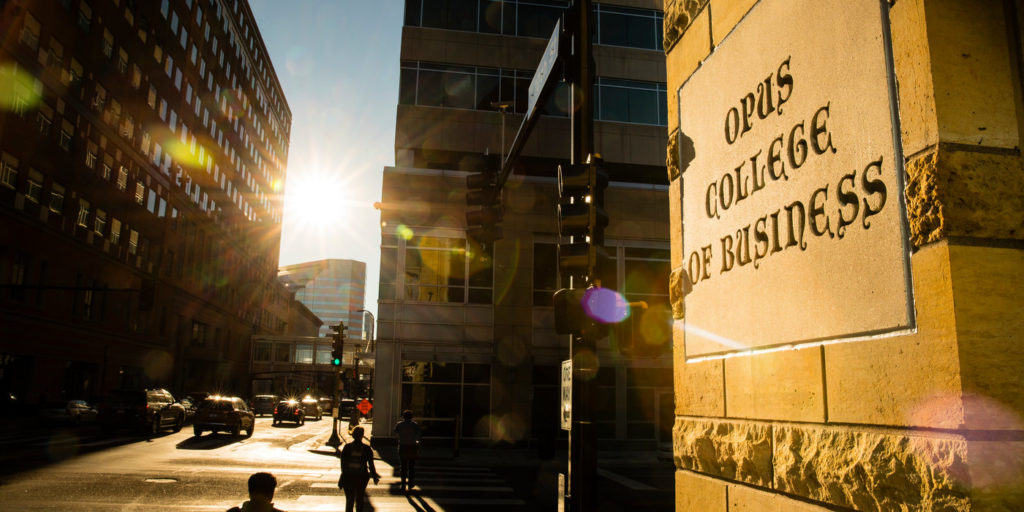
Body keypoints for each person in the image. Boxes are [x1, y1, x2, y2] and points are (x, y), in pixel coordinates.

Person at [335, 426, 380, 512]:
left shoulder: (347, 447)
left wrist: (343, 476)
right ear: (362, 435)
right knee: (359, 498)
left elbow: (343, 465)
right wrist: (374, 476)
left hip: (348, 476)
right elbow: (371, 464)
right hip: (362, 476)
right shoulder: (367, 448)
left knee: (349, 501)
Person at [393, 409, 422, 491]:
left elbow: (395, 432)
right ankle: (411, 482)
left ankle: (403, 483)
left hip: (402, 446)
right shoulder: (415, 425)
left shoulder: (399, 424)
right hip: (412, 447)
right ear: (411, 417)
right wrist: (419, 447)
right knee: (411, 466)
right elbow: (418, 436)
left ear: (403, 417)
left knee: (403, 465)